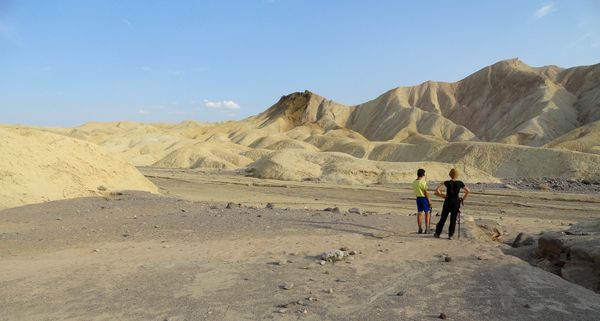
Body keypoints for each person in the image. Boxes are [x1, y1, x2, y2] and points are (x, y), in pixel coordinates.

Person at [434, 168, 470, 240]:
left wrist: (442, 195)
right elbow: (468, 191)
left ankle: (437, 233)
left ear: (450, 175)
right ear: (457, 175)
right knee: (453, 218)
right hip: (456, 202)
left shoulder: (447, 182)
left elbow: (437, 189)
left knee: (443, 217)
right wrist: (463, 199)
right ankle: (451, 235)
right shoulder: (460, 183)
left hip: (448, 201)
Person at [412, 168, 432, 234]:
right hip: (423, 198)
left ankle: (420, 228)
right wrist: (429, 201)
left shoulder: (414, 182)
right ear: (423, 174)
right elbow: (425, 192)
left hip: (418, 198)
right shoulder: (422, 182)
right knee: (427, 213)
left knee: (419, 213)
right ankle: (427, 228)